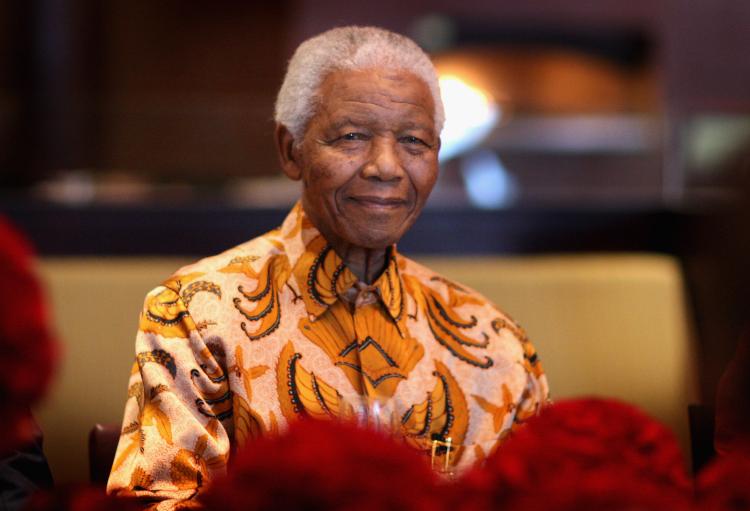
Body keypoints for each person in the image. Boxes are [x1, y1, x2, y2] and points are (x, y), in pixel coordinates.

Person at [107, 26, 549, 509]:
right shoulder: (198, 313)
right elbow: (156, 501)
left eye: (414, 142)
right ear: (290, 150)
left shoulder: (493, 345)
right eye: (352, 137)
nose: (386, 166)